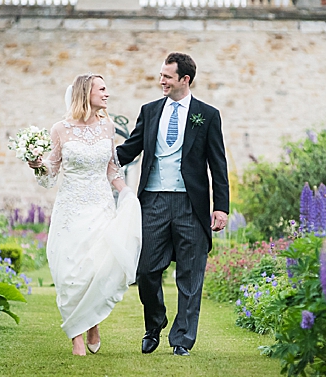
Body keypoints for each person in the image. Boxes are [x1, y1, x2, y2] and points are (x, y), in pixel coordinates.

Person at [116, 52, 229, 356]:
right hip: (152, 201)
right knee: (147, 271)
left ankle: (182, 339)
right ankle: (155, 323)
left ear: (185, 79)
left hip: (190, 205)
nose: (161, 80)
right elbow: (130, 149)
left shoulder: (207, 114)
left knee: (190, 275)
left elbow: (218, 164)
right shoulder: (150, 111)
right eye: (161, 75)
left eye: (167, 76)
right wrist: (92, 156)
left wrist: (221, 207)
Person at [28, 73, 142, 356]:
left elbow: (111, 168)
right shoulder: (60, 129)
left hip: (101, 205)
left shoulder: (108, 127)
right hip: (71, 206)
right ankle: (76, 334)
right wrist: (37, 164)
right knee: (70, 271)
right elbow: (52, 170)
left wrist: (126, 191)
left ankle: (93, 322)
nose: (107, 94)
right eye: (102, 89)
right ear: (85, 93)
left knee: (99, 267)